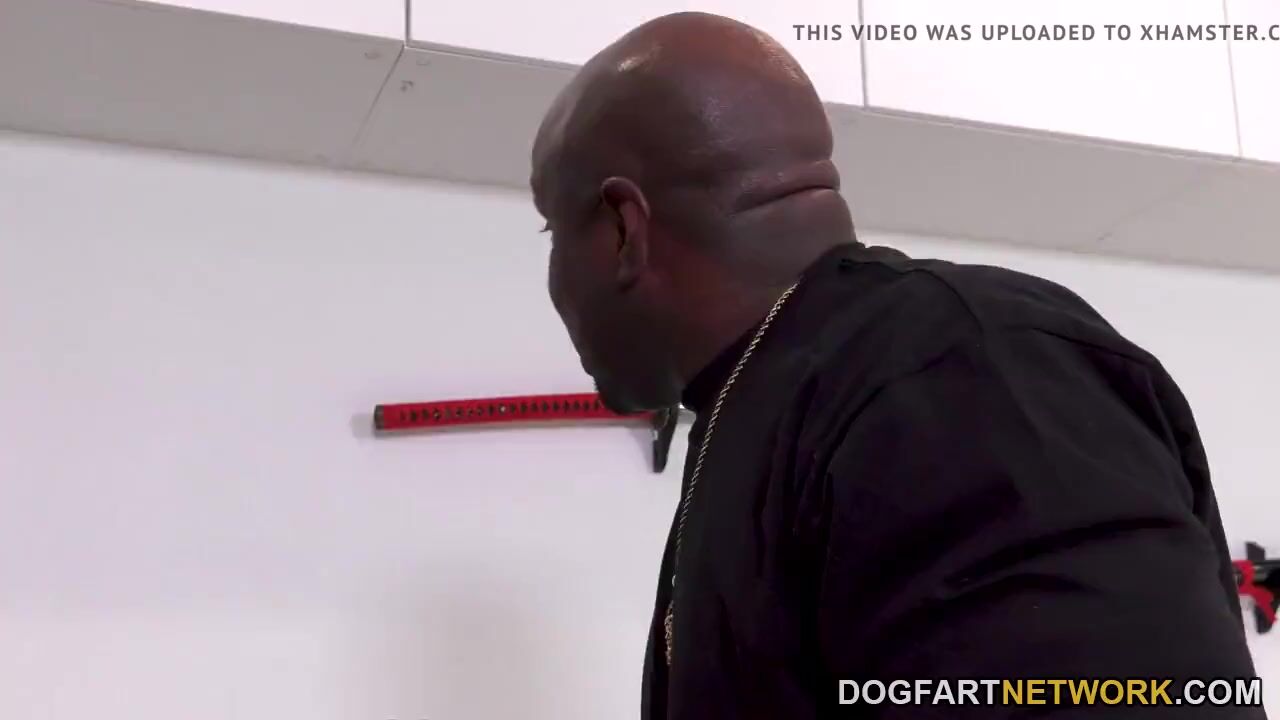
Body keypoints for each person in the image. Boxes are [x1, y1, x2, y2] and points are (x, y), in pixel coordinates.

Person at [529, 11, 1264, 719]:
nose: (553, 275)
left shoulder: (962, 373)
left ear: (623, 228)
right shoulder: (778, 410)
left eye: (553, 233)